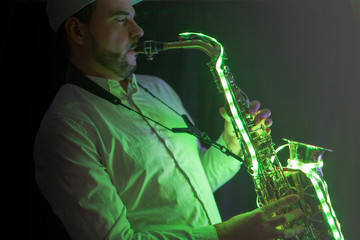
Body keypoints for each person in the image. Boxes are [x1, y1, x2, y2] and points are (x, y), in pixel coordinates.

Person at [34, 0, 304, 239]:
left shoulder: (159, 88)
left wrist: (233, 142)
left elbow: (196, 181)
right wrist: (228, 234)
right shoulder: (66, 127)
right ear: (77, 31)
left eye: (133, 16)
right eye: (120, 19)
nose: (137, 30)